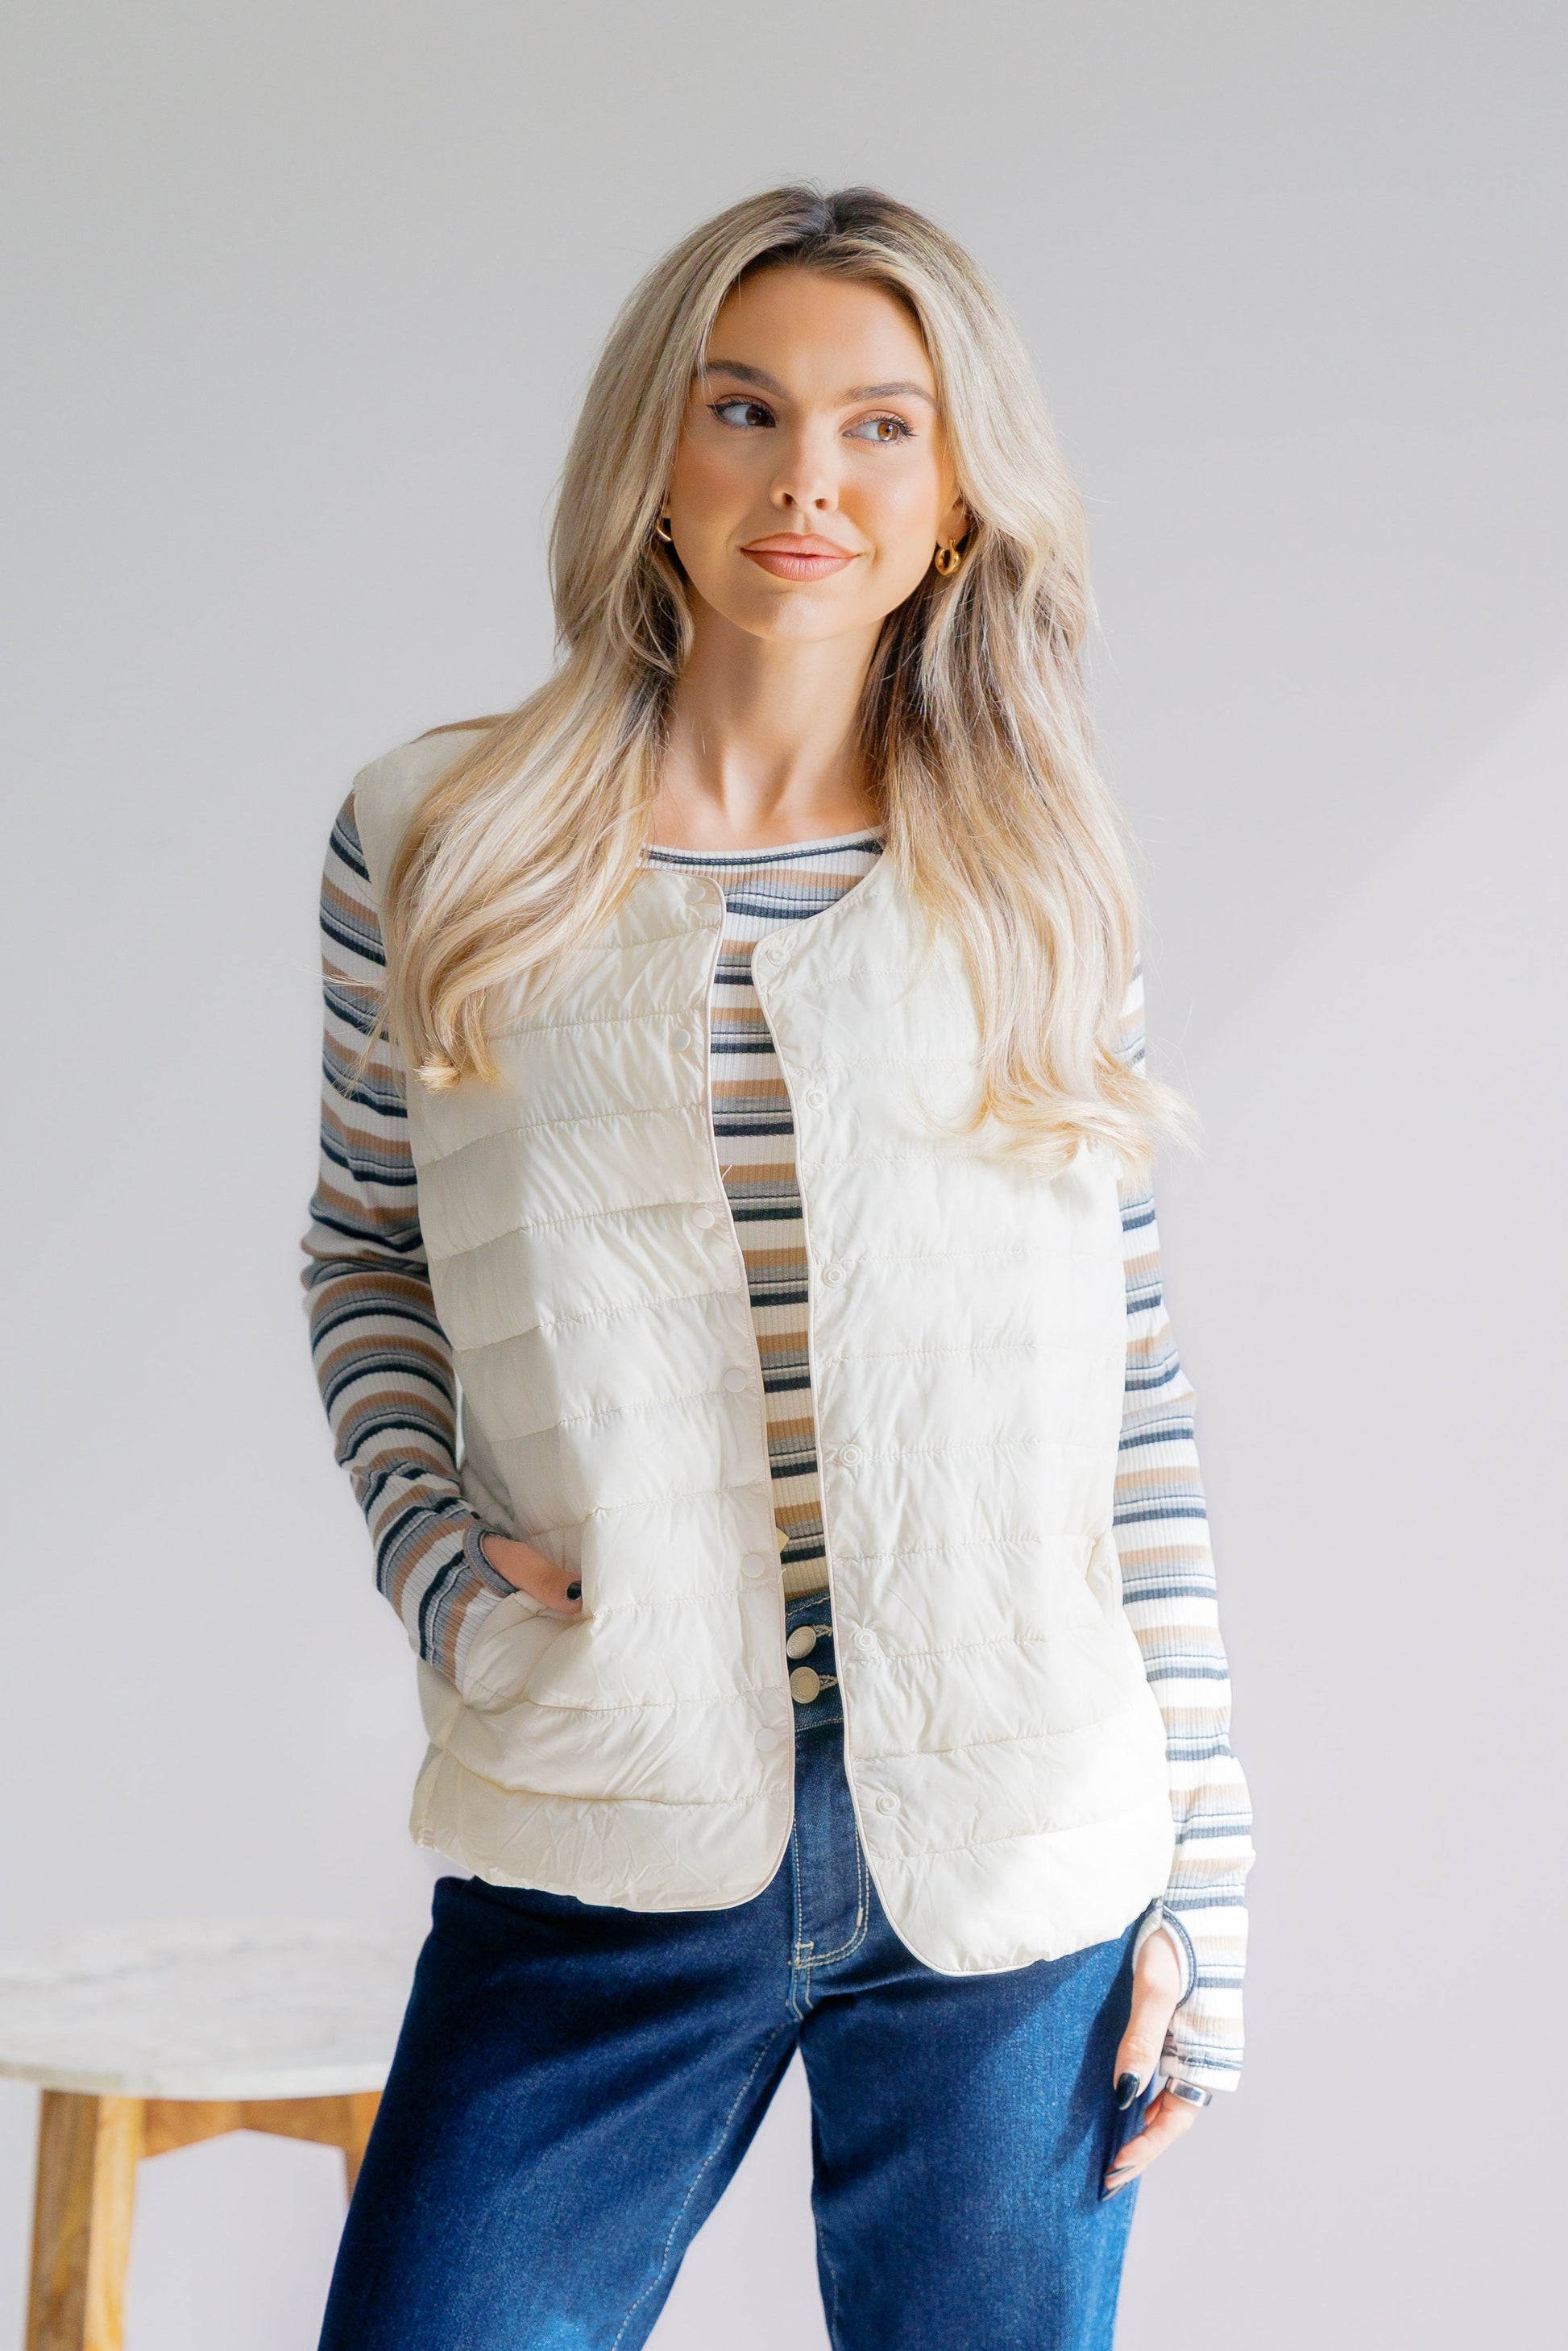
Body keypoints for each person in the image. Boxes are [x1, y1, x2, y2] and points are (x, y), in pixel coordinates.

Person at [302, 184, 1254, 2351]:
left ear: (957, 494)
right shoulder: (440, 837)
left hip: (1014, 1850)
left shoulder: (1036, 872)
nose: (806, 479)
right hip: (606, 1809)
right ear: (654, 452)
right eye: (743, 409)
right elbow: (368, 1243)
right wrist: (436, 1560)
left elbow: (1133, 1390)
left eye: (879, 426)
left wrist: (1202, 1885)